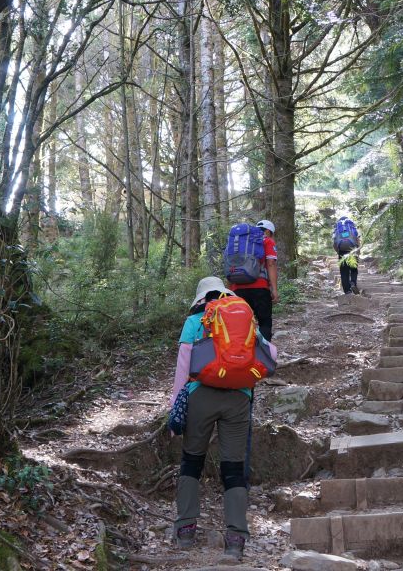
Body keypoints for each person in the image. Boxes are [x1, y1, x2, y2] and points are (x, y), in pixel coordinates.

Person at [169, 276, 278, 562]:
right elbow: (271, 353)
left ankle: (186, 530)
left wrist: (175, 409)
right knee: (233, 467)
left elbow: (183, 367)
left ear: (201, 297)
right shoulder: (244, 316)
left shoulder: (195, 320)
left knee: (192, 461)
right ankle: (235, 539)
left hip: (201, 395)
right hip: (238, 398)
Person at [231, 219, 278, 342]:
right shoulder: (267, 241)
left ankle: (241, 356)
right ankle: (264, 356)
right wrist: (274, 289)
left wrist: (230, 290)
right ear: (268, 232)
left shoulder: (238, 242)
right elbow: (271, 264)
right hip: (259, 288)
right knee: (264, 321)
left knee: (240, 323)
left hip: (237, 289)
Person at [333, 215, 361, 294]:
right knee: (353, 269)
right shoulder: (352, 228)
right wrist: (358, 251)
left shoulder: (337, 230)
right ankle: (353, 282)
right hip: (352, 250)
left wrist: (338, 251)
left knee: (344, 271)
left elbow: (334, 243)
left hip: (342, 251)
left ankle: (347, 291)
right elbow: (358, 240)